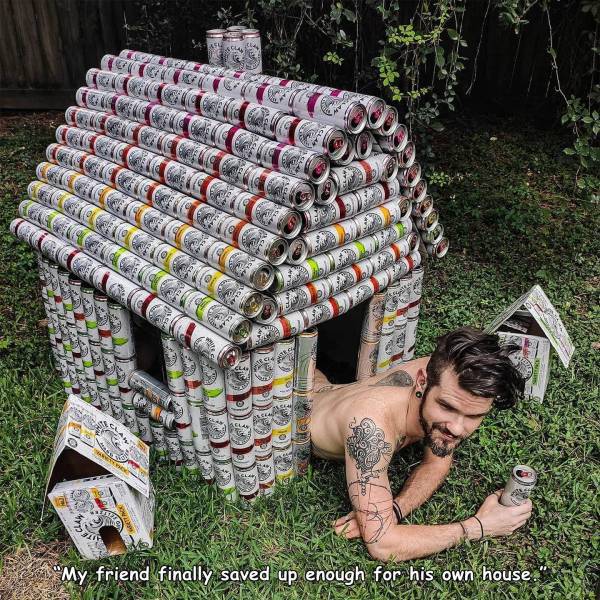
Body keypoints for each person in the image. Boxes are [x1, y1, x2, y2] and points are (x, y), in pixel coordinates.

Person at [310, 326, 533, 562]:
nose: (457, 428)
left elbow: (437, 462)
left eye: (474, 416)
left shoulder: (448, 375)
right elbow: (383, 544)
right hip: (297, 408)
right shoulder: (370, 429)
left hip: (324, 383)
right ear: (421, 382)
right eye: (447, 407)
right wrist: (480, 526)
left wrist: (395, 509)